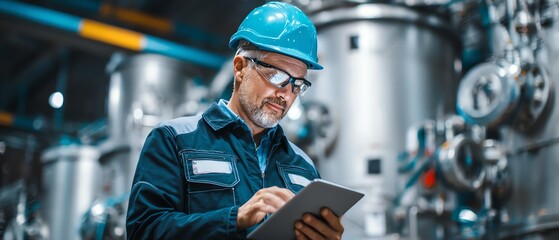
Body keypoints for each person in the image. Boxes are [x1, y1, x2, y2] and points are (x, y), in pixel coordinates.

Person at [126, 2, 344, 239]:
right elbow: (144, 230)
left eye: (297, 84)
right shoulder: (174, 139)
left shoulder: (303, 165)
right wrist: (235, 219)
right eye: (277, 76)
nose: (286, 94)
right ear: (240, 68)